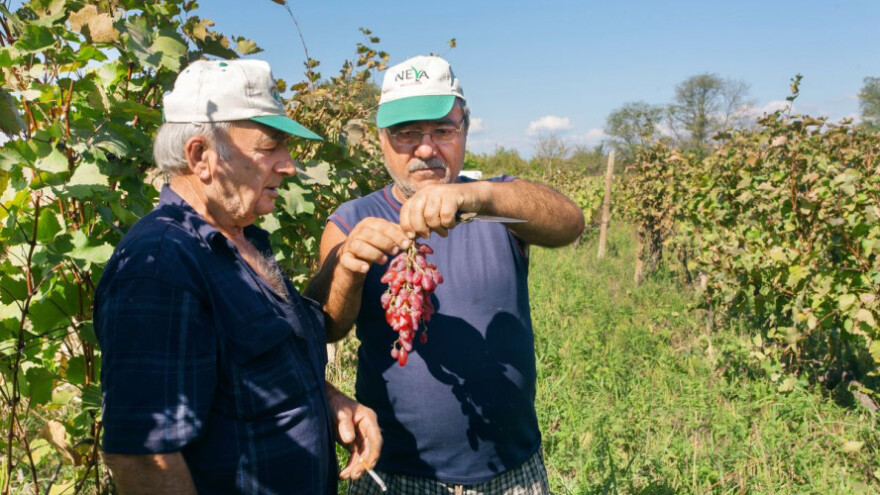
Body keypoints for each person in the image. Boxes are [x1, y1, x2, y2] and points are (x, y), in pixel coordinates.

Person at [94, 59, 381, 495]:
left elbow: (247, 384)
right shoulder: (161, 267)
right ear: (201, 157)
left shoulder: (246, 242)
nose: (288, 166)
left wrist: (329, 401)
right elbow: (143, 459)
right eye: (270, 148)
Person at [305, 55, 585, 494]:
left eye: (443, 130)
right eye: (406, 133)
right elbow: (325, 326)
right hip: (395, 474)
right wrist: (347, 267)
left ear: (465, 130)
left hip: (512, 472)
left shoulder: (498, 206)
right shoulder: (352, 220)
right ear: (381, 140)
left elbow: (570, 222)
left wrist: (480, 196)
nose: (425, 149)